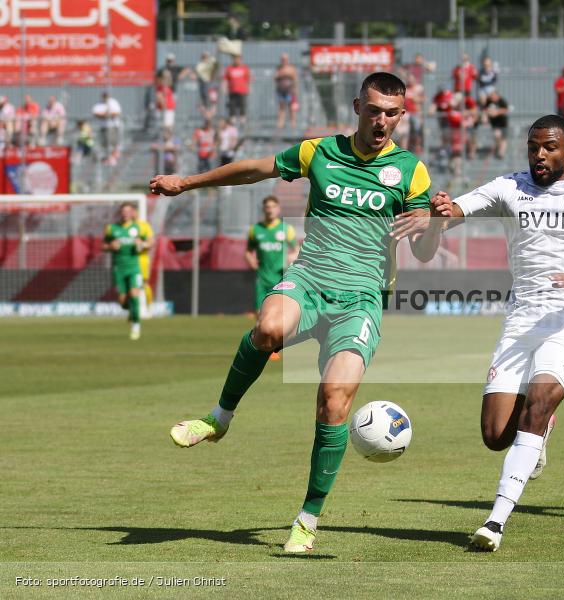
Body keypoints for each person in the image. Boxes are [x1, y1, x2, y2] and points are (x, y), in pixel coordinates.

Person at [149, 72, 444, 554]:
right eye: (373, 110)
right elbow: (254, 169)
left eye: (392, 113)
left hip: (361, 299)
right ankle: (219, 417)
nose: (382, 121)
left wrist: (431, 222)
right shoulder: (319, 152)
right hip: (309, 279)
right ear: (357, 106)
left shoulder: (411, 171)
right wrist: (188, 182)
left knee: (333, 401)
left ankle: (307, 518)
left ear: (402, 115)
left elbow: (425, 251)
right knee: (268, 328)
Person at [426, 114, 564, 551]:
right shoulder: (510, 187)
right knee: (495, 434)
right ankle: (541, 430)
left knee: (539, 402)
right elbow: (459, 210)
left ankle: (496, 521)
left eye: (548, 147)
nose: (539, 155)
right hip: (522, 318)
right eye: (533, 148)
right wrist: (443, 210)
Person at [245, 195, 300, 328]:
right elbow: (248, 251)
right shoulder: (255, 229)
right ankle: (263, 345)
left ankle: (275, 345)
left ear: (278, 209)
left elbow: (297, 249)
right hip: (262, 278)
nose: (270, 210)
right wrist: (250, 260)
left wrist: (292, 257)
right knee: (260, 313)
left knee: (278, 313)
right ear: (263, 209)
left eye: (273, 207)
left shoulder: (286, 229)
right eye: (267, 207)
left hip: (280, 278)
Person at [103, 202, 154, 341]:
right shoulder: (112, 229)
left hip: (134, 267)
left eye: (128, 211)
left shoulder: (140, 227)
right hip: (119, 268)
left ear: (132, 213)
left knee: (135, 294)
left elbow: (150, 242)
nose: (125, 213)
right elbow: (104, 245)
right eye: (123, 211)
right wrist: (110, 246)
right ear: (120, 213)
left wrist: (142, 244)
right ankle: (131, 311)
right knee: (123, 301)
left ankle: (136, 326)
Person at [92, 92, 122, 165]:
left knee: (112, 143)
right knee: (105, 144)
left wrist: (107, 115)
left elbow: (117, 113)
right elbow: (96, 113)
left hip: (112, 126)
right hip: (103, 127)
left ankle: (112, 157)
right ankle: (108, 158)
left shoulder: (113, 102)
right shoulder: (99, 104)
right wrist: (106, 115)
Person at [274, 53, 299, 131]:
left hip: (290, 91)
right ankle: (280, 126)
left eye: (285, 59)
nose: (284, 61)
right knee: (281, 108)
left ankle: (293, 126)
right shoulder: (279, 69)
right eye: (282, 59)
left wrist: (296, 90)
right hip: (281, 91)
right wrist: (281, 74)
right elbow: (275, 77)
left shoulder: (291, 68)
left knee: (291, 108)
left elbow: (295, 79)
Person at [223, 54, 251, 125]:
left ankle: (242, 121)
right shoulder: (229, 68)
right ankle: (232, 121)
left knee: (242, 105)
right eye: (235, 59)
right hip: (232, 91)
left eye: (238, 59)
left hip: (242, 91)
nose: (236, 60)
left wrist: (248, 88)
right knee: (232, 106)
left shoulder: (244, 68)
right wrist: (224, 88)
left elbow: (248, 79)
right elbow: (225, 79)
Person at [483, 90, 509, 160]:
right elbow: (485, 110)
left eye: (493, 96)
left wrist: (496, 112)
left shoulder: (501, 101)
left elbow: (505, 110)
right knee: (497, 135)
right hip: (495, 124)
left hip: (503, 123)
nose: (492, 98)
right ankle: (497, 148)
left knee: (503, 138)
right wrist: (487, 115)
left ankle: (501, 152)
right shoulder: (489, 101)